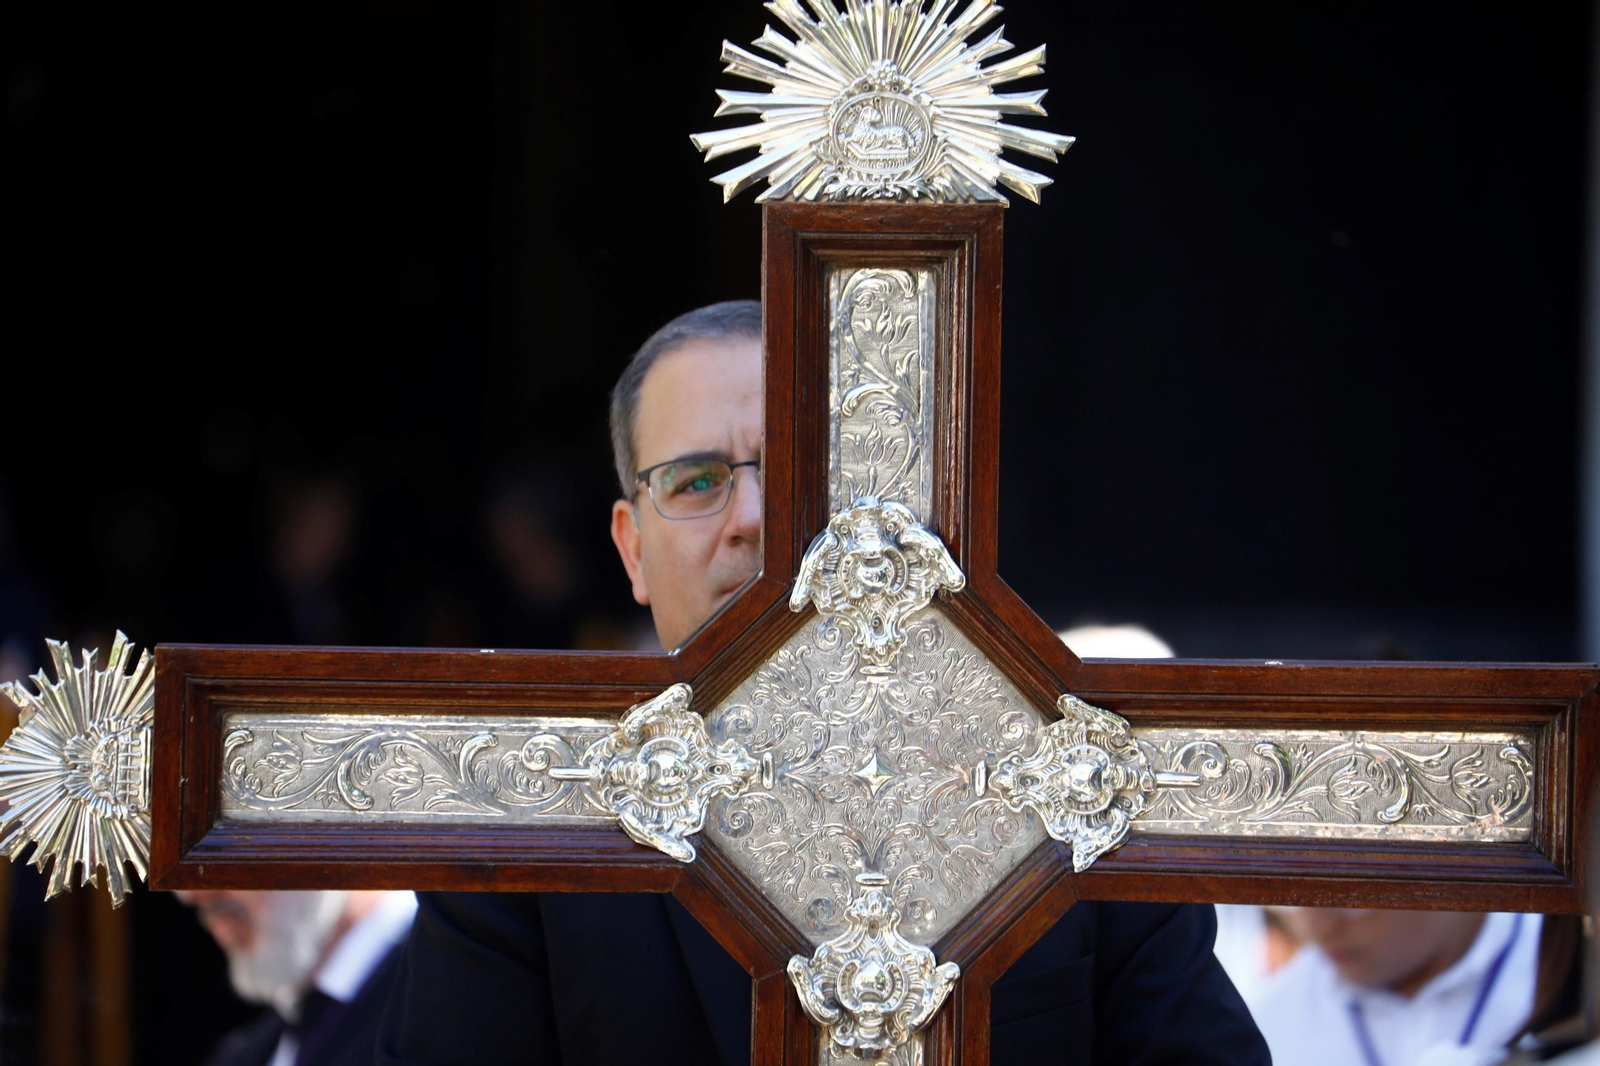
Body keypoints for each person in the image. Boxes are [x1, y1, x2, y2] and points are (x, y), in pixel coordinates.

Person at [376, 301, 1268, 1065]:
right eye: (696, 482)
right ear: (631, 547)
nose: (755, 519)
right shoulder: (524, 831)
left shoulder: (1077, 792)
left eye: (801, 470)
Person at [1250, 906, 1541, 1066]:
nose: (1318, 928)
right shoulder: (1265, 1026)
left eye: (1349, 896)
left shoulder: (1569, 981)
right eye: (1287, 895)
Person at [180, 889, 416, 1066]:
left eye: (226, 909)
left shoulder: (441, 991)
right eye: (206, 912)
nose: (223, 934)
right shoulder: (243, 1053)